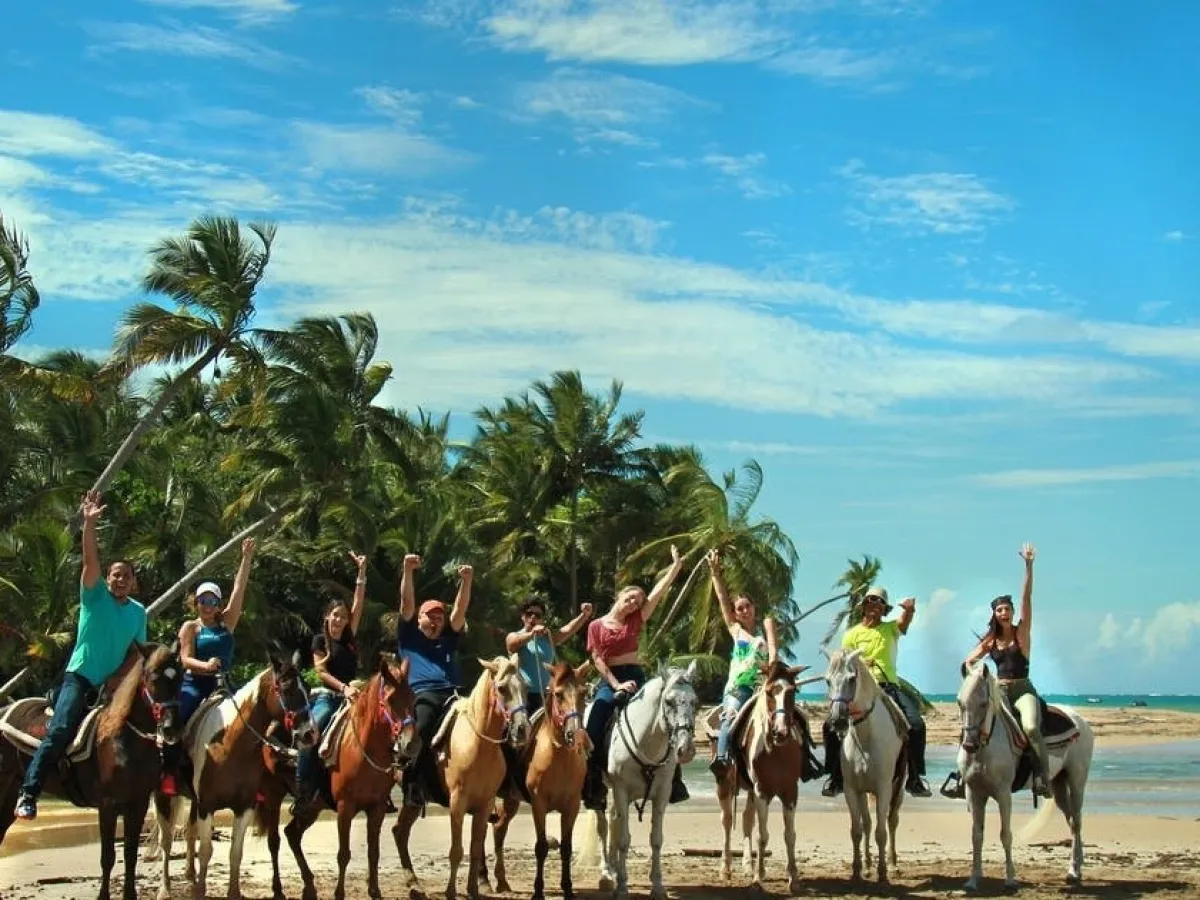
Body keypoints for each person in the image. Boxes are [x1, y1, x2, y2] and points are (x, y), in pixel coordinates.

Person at [14, 491, 148, 822]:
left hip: (111, 687)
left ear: (133, 583)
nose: (120, 580)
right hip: (81, 677)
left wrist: (121, 679)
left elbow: (137, 654)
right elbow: (90, 561)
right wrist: (89, 525)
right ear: (108, 578)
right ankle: (29, 792)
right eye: (116, 574)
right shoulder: (94, 596)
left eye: (126, 576)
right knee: (60, 730)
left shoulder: (138, 612)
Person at [582, 544, 689, 812]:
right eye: (630, 598)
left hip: (637, 675)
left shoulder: (637, 620)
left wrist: (675, 566)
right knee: (598, 713)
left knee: (666, 714)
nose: (634, 604)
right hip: (611, 678)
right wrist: (616, 685)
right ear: (620, 596)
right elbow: (597, 660)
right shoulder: (596, 626)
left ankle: (674, 778)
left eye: (638, 602)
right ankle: (593, 776)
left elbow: (658, 593)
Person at [159, 537, 256, 796]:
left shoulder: (227, 624)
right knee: (175, 721)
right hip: (195, 683)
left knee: (253, 720)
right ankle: (169, 772)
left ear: (218, 604)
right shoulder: (191, 627)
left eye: (212, 601)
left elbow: (239, 591)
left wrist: (246, 558)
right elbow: (185, 659)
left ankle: (255, 777)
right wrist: (206, 665)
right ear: (196, 603)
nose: (207, 606)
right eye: (203, 600)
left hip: (223, 683)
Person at [821, 586, 932, 798]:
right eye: (871, 601)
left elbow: (904, 622)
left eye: (880, 603)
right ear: (864, 606)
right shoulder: (852, 634)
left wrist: (909, 611)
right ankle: (835, 777)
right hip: (860, 688)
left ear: (884, 609)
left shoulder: (890, 629)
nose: (875, 605)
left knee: (917, 725)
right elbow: (845, 662)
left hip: (887, 686)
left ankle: (916, 779)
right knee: (830, 725)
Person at [961, 543, 1050, 797]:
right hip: (998, 691)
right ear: (994, 614)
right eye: (999, 610)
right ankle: (963, 774)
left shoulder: (1022, 633)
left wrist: (1029, 567)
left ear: (1012, 612)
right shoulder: (990, 640)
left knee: (1031, 727)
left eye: (1007, 609)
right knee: (975, 722)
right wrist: (971, 670)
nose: (1004, 613)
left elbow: (1027, 599)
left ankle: (1043, 777)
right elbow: (970, 659)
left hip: (1022, 690)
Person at [292, 549, 369, 811]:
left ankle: (379, 786)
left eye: (343, 617)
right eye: (335, 615)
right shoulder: (319, 641)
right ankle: (303, 788)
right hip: (329, 696)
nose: (339, 620)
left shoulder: (349, 639)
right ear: (327, 617)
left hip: (353, 696)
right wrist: (344, 688)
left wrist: (361, 573)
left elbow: (358, 604)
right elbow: (321, 673)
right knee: (311, 732)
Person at [396, 553, 472, 808]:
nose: (436, 621)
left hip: (455, 695)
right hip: (424, 694)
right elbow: (407, 602)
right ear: (419, 619)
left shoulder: (448, 637)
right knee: (423, 728)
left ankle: (493, 787)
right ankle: (412, 785)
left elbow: (460, 610)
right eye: (430, 616)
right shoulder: (409, 636)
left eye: (440, 618)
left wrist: (466, 581)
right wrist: (408, 570)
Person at [706, 549, 778, 778]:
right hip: (738, 688)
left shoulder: (764, 632)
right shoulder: (737, 632)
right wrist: (716, 575)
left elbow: (774, 654)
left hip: (761, 688)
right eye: (740, 609)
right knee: (729, 716)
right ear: (736, 615)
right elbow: (722, 602)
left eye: (747, 606)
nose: (744, 611)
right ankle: (722, 756)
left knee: (787, 719)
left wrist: (771, 672)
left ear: (754, 607)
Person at [505, 597, 593, 715]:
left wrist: (584, 615)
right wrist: (532, 634)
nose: (533, 617)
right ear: (522, 616)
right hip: (523, 696)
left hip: (546, 695)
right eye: (529, 613)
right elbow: (512, 644)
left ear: (542, 619)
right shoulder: (514, 635)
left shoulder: (548, 638)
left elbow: (568, 630)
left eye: (537, 615)